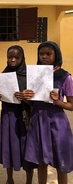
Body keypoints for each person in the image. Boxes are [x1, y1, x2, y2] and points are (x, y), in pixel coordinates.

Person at [24, 41, 73, 184]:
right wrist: (26, 97)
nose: (44, 57)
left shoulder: (65, 77)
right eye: (41, 54)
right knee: (41, 161)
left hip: (57, 122)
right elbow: (33, 103)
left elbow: (71, 105)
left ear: (56, 55)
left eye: (48, 54)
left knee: (60, 161)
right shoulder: (34, 75)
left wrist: (58, 102)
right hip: (38, 120)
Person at [0, 45, 33, 184]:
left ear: (22, 58)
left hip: (25, 116)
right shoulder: (4, 75)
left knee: (27, 147)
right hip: (8, 115)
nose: (13, 60)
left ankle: (28, 181)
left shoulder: (29, 76)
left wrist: (24, 98)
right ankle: (9, 179)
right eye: (10, 57)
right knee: (9, 146)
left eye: (16, 57)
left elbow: (36, 102)